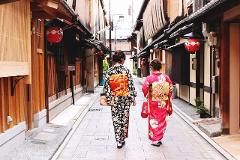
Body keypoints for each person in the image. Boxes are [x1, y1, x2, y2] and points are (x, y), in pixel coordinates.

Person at [104, 50, 137, 149]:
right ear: (122, 60)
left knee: (116, 119)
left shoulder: (109, 71)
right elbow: (130, 85)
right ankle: (122, 138)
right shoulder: (126, 70)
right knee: (124, 118)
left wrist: (109, 98)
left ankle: (118, 141)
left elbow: (107, 87)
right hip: (125, 98)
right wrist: (133, 98)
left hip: (114, 98)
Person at [142, 59, 173, 146]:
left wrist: (149, 95)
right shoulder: (166, 77)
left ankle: (155, 140)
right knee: (162, 120)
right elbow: (170, 88)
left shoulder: (149, 78)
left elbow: (144, 89)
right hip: (163, 102)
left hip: (153, 102)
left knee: (153, 120)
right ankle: (159, 138)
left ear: (151, 67)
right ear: (160, 67)